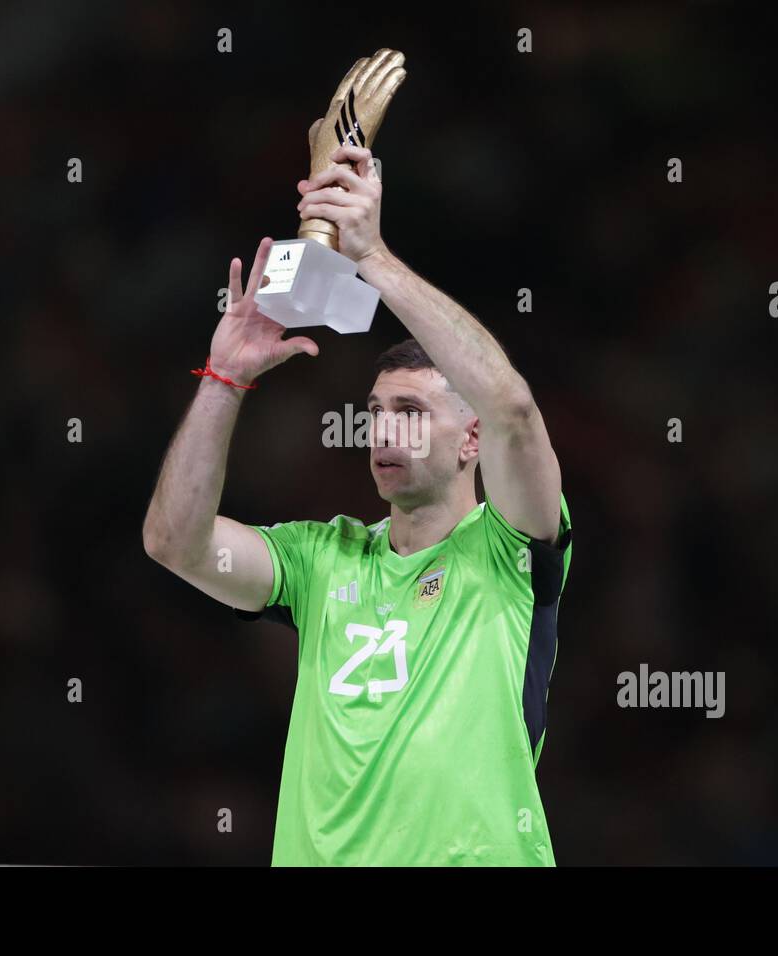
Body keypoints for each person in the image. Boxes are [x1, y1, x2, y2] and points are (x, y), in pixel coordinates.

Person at [143, 144, 572, 865]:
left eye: (409, 410)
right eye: (375, 411)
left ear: (472, 440)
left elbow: (514, 410)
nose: (382, 429)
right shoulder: (320, 558)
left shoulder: (514, 548)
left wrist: (370, 257)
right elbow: (174, 543)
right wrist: (223, 378)